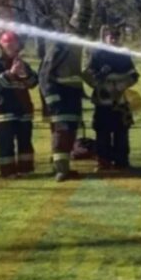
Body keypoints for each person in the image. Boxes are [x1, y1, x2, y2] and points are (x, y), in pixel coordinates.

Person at [84, 26, 140, 172]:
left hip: (120, 100)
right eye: (111, 36)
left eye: (116, 36)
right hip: (103, 100)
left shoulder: (124, 55)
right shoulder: (97, 54)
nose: (114, 39)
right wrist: (99, 84)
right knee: (102, 132)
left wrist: (123, 84)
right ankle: (103, 162)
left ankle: (122, 162)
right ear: (105, 37)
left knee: (121, 132)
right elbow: (87, 74)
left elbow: (134, 75)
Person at [0, 31, 38, 179]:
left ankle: (26, 169)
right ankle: (8, 171)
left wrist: (25, 74)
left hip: (23, 109)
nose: (12, 49)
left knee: (25, 141)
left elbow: (33, 83)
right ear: (1, 47)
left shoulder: (24, 64)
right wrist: (10, 73)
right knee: (6, 143)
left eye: (14, 46)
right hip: (4, 110)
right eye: (8, 46)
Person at [40, 38, 85, 182]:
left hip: (72, 98)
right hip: (60, 99)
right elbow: (44, 75)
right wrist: (51, 98)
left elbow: (75, 75)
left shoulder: (74, 48)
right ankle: (60, 170)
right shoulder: (58, 49)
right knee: (61, 133)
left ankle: (64, 167)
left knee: (71, 133)